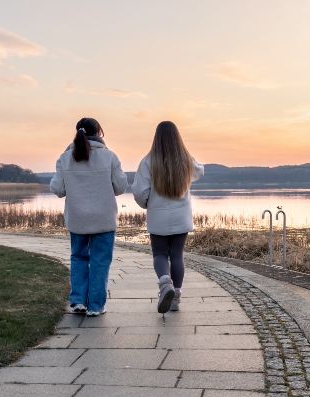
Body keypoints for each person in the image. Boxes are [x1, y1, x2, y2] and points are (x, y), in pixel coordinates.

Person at [50, 117, 128, 316]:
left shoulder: (65, 157)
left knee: (78, 257)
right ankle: (95, 306)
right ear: (98, 132)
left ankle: (77, 301)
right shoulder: (109, 156)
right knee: (100, 261)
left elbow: (58, 189)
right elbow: (120, 187)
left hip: (78, 218)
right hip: (104, 218)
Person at [133, 121, 204, 313]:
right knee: (177, 255)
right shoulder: (186, 160)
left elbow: (139, 192)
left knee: (159, 254)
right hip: (181, 215)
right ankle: (175, 298)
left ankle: (165, 284)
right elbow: (200, 170)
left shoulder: (148, 161)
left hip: (158, 215)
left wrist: (147, 204)